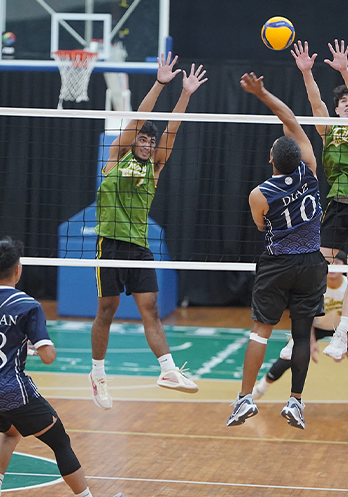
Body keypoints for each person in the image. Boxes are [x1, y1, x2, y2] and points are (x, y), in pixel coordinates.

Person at [0, 238, 124, 497]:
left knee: (10, 432)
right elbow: (48, 356)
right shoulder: (27, 305)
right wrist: (35, 345)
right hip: (13, 391)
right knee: (60, 442)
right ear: (18, 269)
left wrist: (15, 344)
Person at [90, 53, 208, 409]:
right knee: (106, 310)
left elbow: (171, 128)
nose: (147, 144)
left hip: (138, 247)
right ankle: (97, 375)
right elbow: (141, 117)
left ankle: (168, 369)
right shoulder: (117, 156)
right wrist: (160, 84)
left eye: (150, 142)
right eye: (142, 139)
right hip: (109, 244)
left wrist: (185, 93)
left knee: (151, 309)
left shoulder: (155, 166)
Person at [226, 73, 328, 430]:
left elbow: (260, 225)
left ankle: (243, 400)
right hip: (313, 263)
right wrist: (264, 92)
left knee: (260, 333)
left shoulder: (259, 194)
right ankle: (296, 402)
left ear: (271, 159)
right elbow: (291, 120)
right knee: (301, 335)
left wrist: (255, 91)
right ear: (298, 157)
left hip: (277, 264)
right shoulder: (311, 171)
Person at [291, 40, 348, 361]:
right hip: (337, 206)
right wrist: (307, 73)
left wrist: (344, 70)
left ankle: (341, 334)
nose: (347, 104)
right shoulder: (329, 130)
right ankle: (298, 331)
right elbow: (316, 102)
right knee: (315, 268)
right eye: (341, 101)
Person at [252, 251, 348, 414]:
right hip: (315, 325)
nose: (333, 266)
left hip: (343, 329)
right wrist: (311, 341)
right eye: (331, 262)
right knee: (289, 357)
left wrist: (344, 343)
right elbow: (305, 314)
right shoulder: (315, 285)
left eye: (338, 262)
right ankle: (261, 388)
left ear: (346, 266)